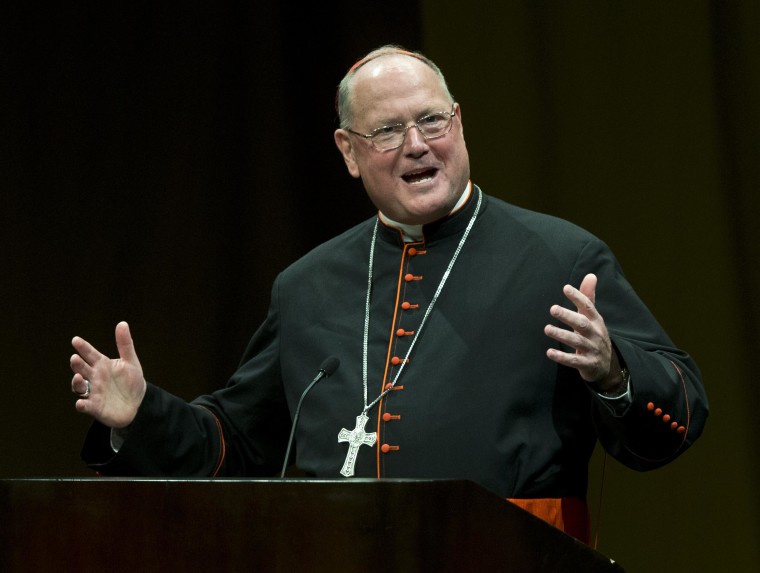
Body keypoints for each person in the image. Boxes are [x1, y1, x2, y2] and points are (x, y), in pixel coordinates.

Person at [69, 45, 708, 542]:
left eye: (432, 119)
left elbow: (678, 417)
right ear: (348, 152)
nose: (417, 145)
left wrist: (613, 374)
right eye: (387, 131)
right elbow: (238, 442)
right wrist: (142, 415)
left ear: (459, 122)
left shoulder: (561, 258)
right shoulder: (306, 286)